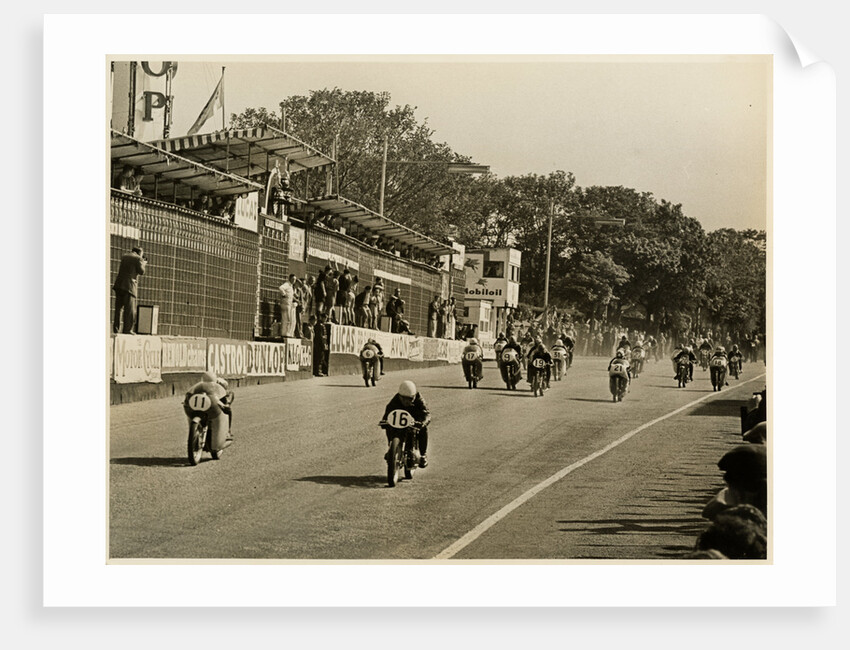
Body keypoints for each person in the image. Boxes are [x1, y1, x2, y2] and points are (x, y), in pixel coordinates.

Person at [382, 380, 432, 468]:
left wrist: (423, 423)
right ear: (400, 396)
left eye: (409, 399)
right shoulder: (395, 400)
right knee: (389, 426)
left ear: (414, 396)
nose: (406, 402)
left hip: (415, 418)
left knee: (423, 429)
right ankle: (391, 448)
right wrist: (384, 421)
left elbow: (427, 414)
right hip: (401, 419)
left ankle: (423, 454)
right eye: (403, 399)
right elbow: (388, 414)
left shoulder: (419, 400)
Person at [183, 370, 235, 442]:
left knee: (228, 409)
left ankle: (227, 431)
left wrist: (224, 401)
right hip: (202, 404)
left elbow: (225, 395)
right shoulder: (198, 386)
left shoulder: (221, 383)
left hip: (214, 402)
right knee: (228, 410)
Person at [112, 246, 147, 334]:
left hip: (119, 284)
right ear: (140, 253)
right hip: (129, 286)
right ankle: (127, 330)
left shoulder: (125, 256)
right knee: (129, 309)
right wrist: (143, 263)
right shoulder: (138, 259)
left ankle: (116, 329)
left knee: (118, 309)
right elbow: (141, 272)